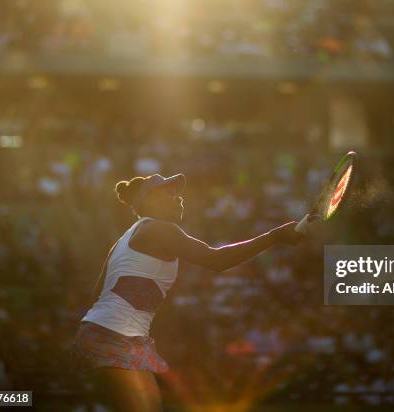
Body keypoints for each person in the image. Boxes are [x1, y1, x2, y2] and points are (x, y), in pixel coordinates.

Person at [72, 173, 302, 412]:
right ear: (151, 202)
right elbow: (217, 260)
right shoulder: (161, 230)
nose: (179, 198)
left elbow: (95, 298)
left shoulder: (125, 239)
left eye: (177, 193)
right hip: (113, 336)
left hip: (106, 333)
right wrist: (275, 236)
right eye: (169, 194)